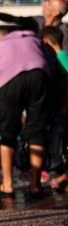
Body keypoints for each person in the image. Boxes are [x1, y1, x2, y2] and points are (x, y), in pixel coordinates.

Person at [0, 29, 52, 197]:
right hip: (40, 75)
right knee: (37, 130)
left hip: (9, 83)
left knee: (8, 133)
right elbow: (50, 61)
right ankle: (35, 185)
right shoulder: (34, 40)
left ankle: (7, 184)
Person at [40, 26, 68, 192]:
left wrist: (64, 105)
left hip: (63, 110)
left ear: (46, 42)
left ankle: (62, 176)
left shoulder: (61, 59)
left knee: (60, 144)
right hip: (60, 109)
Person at [0, 0, 68, 49]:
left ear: (56, 12)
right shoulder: (37, 21)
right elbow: (14, 19)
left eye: (49, 4)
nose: (45, 3)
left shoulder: (64, 32)